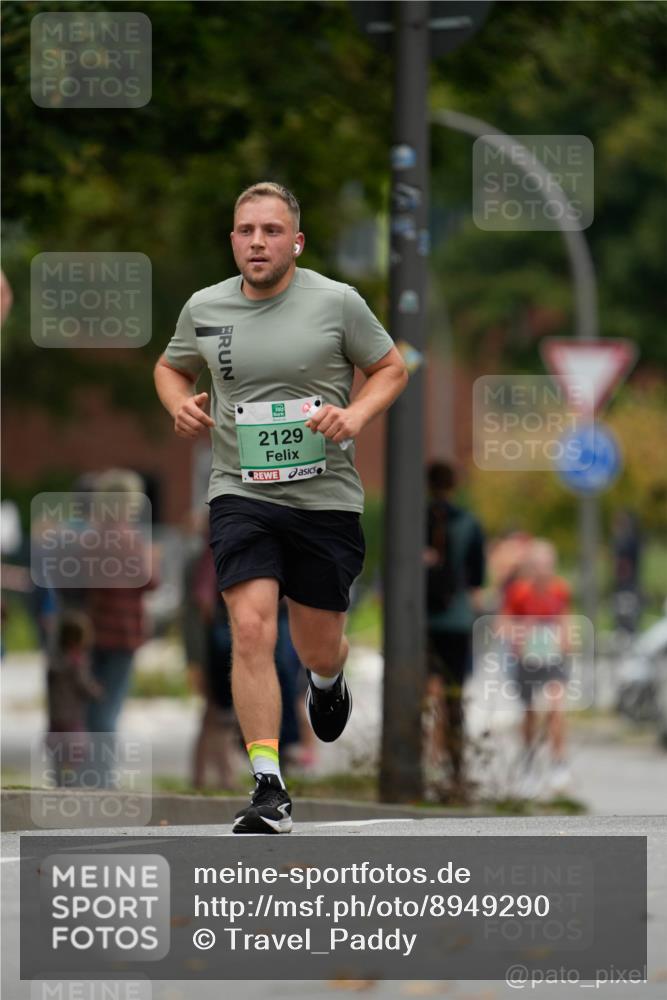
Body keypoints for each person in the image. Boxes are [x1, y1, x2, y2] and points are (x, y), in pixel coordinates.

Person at [154, 182, 407, 833]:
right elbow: (170, 367)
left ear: (295, 241)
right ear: (233, 239)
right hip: (240, 491)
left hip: (323, 497)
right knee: (250, 628)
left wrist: (353, 415)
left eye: (270, 230)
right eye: (246, 230)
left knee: (315, 644)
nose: (257, 241)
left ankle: (328, 679)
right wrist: (177, 402)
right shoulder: (204, 307)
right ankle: (268, 783)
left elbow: (390, 368)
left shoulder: (336, 302)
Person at [423, 461, 485, 800]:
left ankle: (421, 764)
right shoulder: (469, 524)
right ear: (454, 485)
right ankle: (456, 770)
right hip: (457, 620)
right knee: (454, 696)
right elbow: (477, 580)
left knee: (419, 693)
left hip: (418, 621)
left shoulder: (414, 520)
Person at [501, 538, 572, 795]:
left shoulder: (560, 589)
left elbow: (565, 618)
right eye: (538, 564)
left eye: (547, 564)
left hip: (553, 658)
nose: (543, 569)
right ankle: (529, 763)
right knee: (530, 713)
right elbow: (503, 624)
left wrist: (565, 639)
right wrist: (521, 632)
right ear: (531, 567)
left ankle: (558, 763)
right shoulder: (519, 592)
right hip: (527, 659)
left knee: (556, 708)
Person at [46, 610, 102, 786]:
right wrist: (97, 692)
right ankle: (71, 786)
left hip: (55, 722)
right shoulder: (77, 664)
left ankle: (60, 784)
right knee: (75, 759)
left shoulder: (54, 663)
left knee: (59, 759)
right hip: (73, 722)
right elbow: (85, 686)